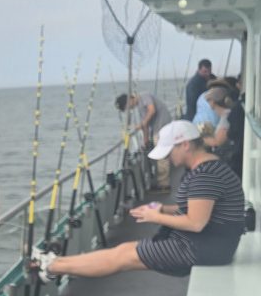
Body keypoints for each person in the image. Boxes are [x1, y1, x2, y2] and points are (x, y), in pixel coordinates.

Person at [31, 120, 244, 283]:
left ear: (186, 145)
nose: (167, 158)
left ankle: (52, 267)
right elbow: (197, 208)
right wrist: (163, 208)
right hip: (209, 244)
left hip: (203, 248)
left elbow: (196, 223)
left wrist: (155, 216)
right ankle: (54, 263)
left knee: (122, 257)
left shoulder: (205, 175)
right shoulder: (211, 167)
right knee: (122, 251)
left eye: (169, 151)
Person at [115, 89, 172, 189]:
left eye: (128, 107)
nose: (130, 109)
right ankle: (160, 181)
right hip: (156, 130)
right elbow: (145, 125)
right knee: (157, 156)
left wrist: (141, 124)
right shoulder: (140, 109)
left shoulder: (144, 96)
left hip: (163, 127)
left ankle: (164, 185)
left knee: (162, 157)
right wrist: (145, 140)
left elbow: (151, 110)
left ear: (129, 100)